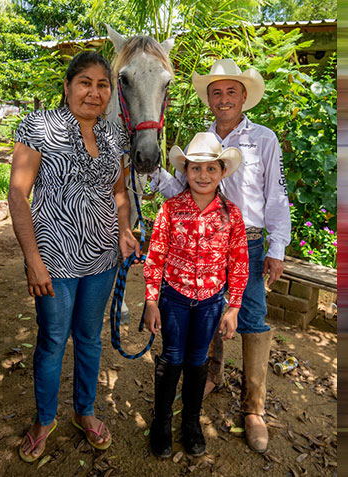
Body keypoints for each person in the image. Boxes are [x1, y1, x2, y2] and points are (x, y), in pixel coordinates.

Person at [149, 59, 291, 452]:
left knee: (250, 316)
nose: (224, 99)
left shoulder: (263, 139)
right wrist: (150, 171)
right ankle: (211, 372)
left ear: (244, 97)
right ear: (208, 99)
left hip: (245, 240)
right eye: (216, 92)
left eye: (231, 91)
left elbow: (276, 197)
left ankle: (253, 408)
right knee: (206, 309)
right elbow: (180, 188)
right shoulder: (203, 141)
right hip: (199, 242)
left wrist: (276, 248)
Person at [8, 51, 140, 463]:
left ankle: (85, 412)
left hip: (102, 259)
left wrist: (123, 229)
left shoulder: (114, 136)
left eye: (103, 85)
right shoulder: (39, 127)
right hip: (55, 262)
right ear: (67, 87)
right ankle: (44, 420)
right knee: (51, 341)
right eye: (85, 82)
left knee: (88, 338)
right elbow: (17, 193)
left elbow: (119, 193)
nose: (94, 92)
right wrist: (32, 259)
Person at [142, 132, 249, 458]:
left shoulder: (231, 215)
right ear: (185, 171)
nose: (203, 176)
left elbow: (239, 262)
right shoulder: (170, 210)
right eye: (196, 169)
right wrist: (150, 300)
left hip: (210, 302)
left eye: (211, 169)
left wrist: (233, 308)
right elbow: (156, 256)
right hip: (174, 299)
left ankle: (190, 421)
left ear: (222, 172)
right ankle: (161, 421)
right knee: (172, 356)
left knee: (197, 358)